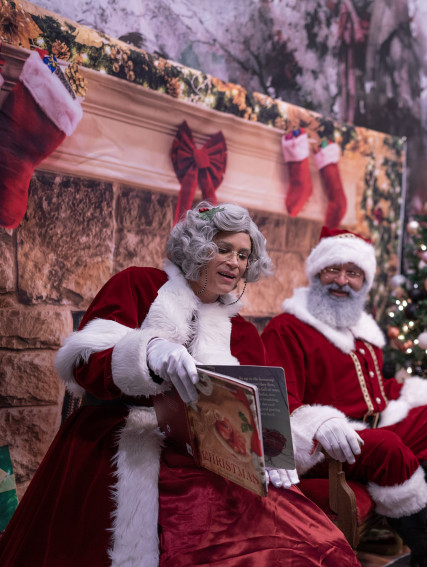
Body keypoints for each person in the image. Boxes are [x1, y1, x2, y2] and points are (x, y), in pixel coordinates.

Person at [0, 202, 359, 566]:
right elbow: (82, 363)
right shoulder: (139, 285)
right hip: (123, 436)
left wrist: (304, 431)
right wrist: (148, 353)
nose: (235, 262)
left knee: (304, 539)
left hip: (216, 454)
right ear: (198, 246)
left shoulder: (245, 332)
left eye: (243, 254)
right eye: (223, 248)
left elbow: (262, 405)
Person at [261, 226, 427, 567]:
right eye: (333, 270)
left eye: (353, 273)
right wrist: (319, 422)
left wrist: (418, 392)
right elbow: (279, 405)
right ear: (316, 273)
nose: (342, 281)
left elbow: (374, 392)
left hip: (373, 427)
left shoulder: (361, 331)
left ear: (364, 282)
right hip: (327, 444)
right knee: (387, 446)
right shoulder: (287, 328)